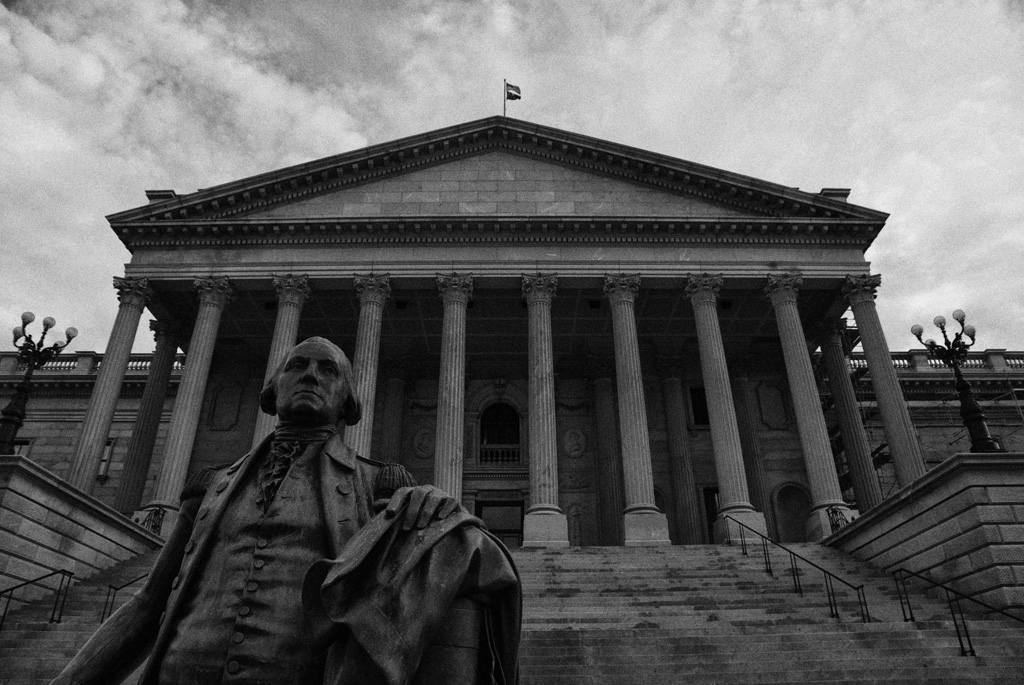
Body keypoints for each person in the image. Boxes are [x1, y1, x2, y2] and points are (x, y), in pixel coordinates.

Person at [52, 337, 519, 685]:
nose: (311, 375)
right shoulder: (210, 486)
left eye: (329, 370)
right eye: (297, 365)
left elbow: (425, 575)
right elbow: (149, 605)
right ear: (272, 388)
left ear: (350, 402)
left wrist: (445, 521)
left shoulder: (379, 486)